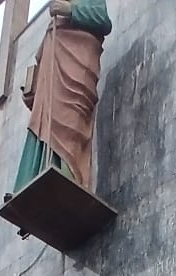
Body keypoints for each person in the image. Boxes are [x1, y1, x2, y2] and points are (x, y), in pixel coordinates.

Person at [14, 0, 113, 195]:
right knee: (44, 126)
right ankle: (36, 178)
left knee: (71, 125)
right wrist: (35, 88)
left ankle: (68, 176)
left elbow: (104, 20)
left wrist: (70, 10)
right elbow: (42, 58)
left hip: (77, 70)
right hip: (52, 87)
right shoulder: (54, 21)